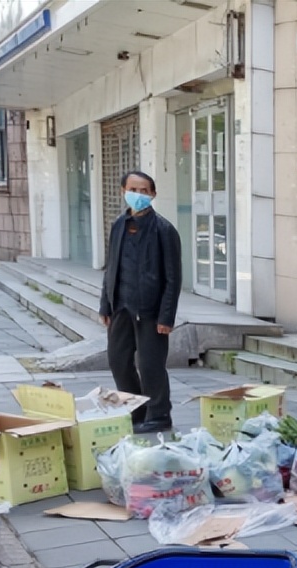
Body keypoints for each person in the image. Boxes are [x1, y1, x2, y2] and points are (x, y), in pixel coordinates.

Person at [98, 171, 183, 433]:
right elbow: (111, 267)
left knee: (150, 365)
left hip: (150, 311)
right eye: (133, 189)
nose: (138, 195)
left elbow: (173, 277)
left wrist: (166, 316)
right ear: (123, 191)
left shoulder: (164, 230)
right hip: (120, 306)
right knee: (118, 360)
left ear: (153, 194)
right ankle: (136, 410)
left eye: (144, 191)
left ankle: (159, 414)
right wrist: (105, 304)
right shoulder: (118, 225)